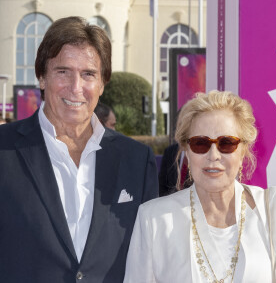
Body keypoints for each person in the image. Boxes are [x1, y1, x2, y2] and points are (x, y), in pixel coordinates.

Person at [0, 16, 158, 283]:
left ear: (102, 84)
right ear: (41, 77)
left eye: (88, 74)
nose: (76, 88)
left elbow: (151, 256)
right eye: (63, 72)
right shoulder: (4, 149)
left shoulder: (136, 160)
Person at [124, 90, 276, 282]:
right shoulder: (154, 220)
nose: (213, 155)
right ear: (187, 152)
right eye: (200, 143)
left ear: (242, 152)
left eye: (226, 143)